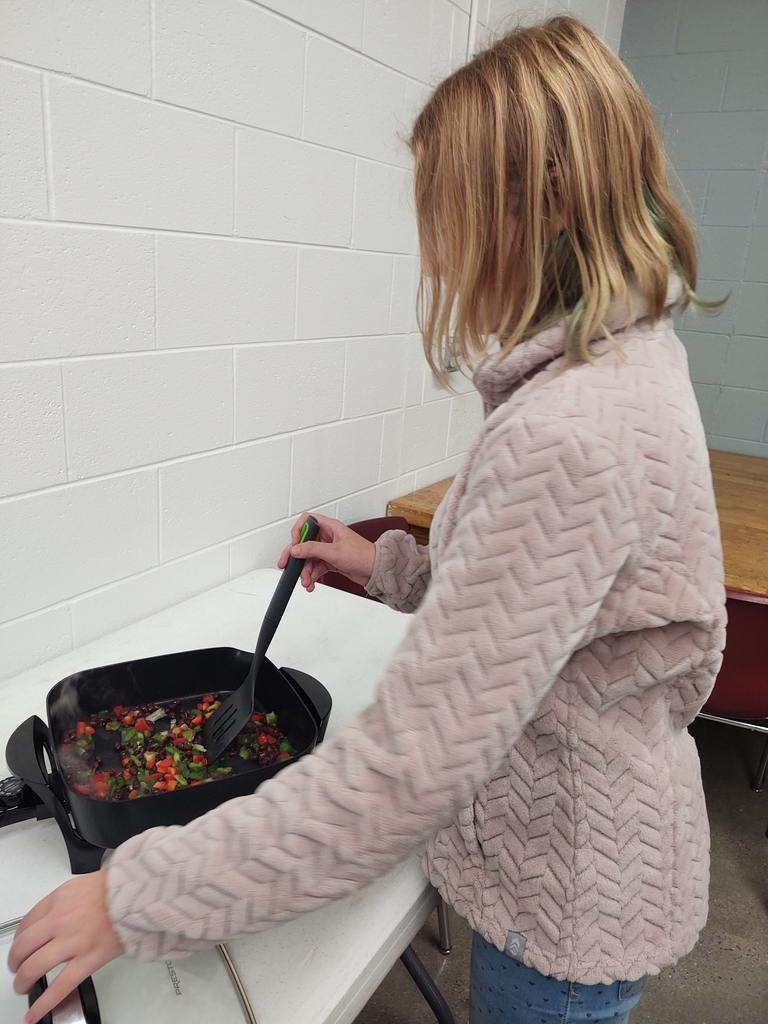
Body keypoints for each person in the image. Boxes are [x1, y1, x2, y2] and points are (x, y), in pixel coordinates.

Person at [9, 16, 726, 1024]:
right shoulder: (626, 363)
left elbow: (401, 775)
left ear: (549, 200)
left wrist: (133, 898)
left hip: (562, 899)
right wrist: (388, 565)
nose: (438, 256)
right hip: (594, 840)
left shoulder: (569, 432)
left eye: (449, 212)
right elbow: (563, 611)